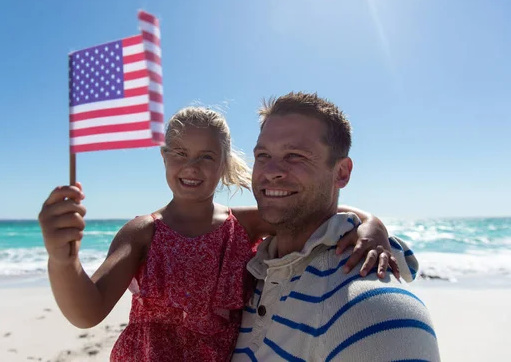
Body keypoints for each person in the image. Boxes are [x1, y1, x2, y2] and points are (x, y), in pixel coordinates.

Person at [38, 106, 414, 362]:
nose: (192, 166)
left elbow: (324, 210)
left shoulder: (243, 224)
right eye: (180, 153)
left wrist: (373, 226)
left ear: (224, 163)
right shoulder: (143, 232)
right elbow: (88, 312)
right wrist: (62, 259)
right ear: (164, 157)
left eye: (206, 156)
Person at [232, 92, 440, 361]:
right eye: (262, 155)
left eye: (294, 156)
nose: (271, 170)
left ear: (341, 172)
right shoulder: (251, 274)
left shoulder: (374, 311)